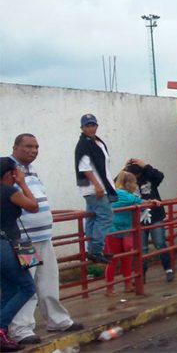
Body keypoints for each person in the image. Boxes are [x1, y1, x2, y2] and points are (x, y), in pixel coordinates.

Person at [8, 135, 83, 345]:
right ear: (15, 147)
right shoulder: (9, 171)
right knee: (26, 285)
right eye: (28, 147)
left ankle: (57, 319)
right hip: (24, 240)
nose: (33, 151)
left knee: (49, 280)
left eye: (36, 147)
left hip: (43, 237)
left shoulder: (32, 170)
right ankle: (21, 329)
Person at [1, 157, 39, 352]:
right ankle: (0, 328)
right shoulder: (9, 190)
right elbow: (33, 206)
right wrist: (23, 183)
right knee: (27, 287)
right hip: (7, 245)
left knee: (8, 291)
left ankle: (3, 333)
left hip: (6, 244)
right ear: (10, 174)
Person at [105, 172, 159, 296]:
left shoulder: (114, 193)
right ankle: (126, 284)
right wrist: (152, 202)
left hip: (113, 229)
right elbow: (140, 202)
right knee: (126, 258)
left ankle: (111, 287)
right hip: (122, 229)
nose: (136, 185)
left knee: (114, 259)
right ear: (127, 183)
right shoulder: (125, 195)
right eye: (134, 182)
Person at [123, 159, 173, 283]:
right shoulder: (127, 181)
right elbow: (115, 184)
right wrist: (124, 170)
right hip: (138, 220)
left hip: (155, 216)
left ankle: (168, 270)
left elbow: (160, 176)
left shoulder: (150, 176)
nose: (135, 178)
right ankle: (141, 275)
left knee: (160, 243)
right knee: (142, 248)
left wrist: (145, 165)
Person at [74, 113, 115, 264]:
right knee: (106, 216)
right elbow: (84, 167)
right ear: (82, 128)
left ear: (97, 126)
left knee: (92, 217)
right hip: (94, 188)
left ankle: (92, 249)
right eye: (87, 125)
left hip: (94, 188)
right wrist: (97, 185)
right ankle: (96, 249)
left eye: (93, 125)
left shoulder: (95, 142)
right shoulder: (85, 144)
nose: (91, 128)